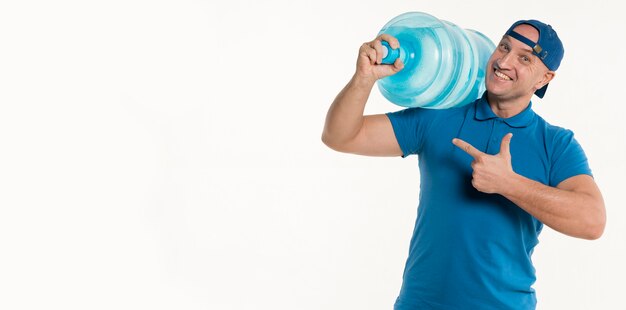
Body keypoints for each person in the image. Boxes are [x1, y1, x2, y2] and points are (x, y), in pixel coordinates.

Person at [321, 19, 606, 309]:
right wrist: (364, 78)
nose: (504, 61)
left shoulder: (556, 143)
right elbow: (340, 136)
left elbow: (592, 221)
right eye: (504, 47)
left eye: (524, 58)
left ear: (544, 79)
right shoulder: (439, 115)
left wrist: (508, 183)